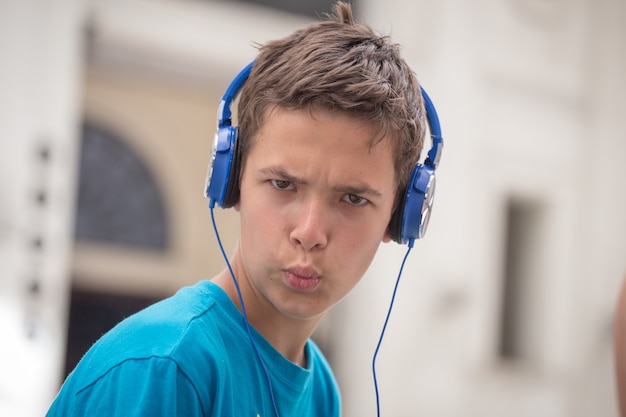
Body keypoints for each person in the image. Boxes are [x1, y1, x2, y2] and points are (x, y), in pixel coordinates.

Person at [47, 1, 440, 415]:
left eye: (353, 199)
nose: (309, 232)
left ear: (400, 217)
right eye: (283, 184)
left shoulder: (321, 391)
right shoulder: (166, 367)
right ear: (231, 181)